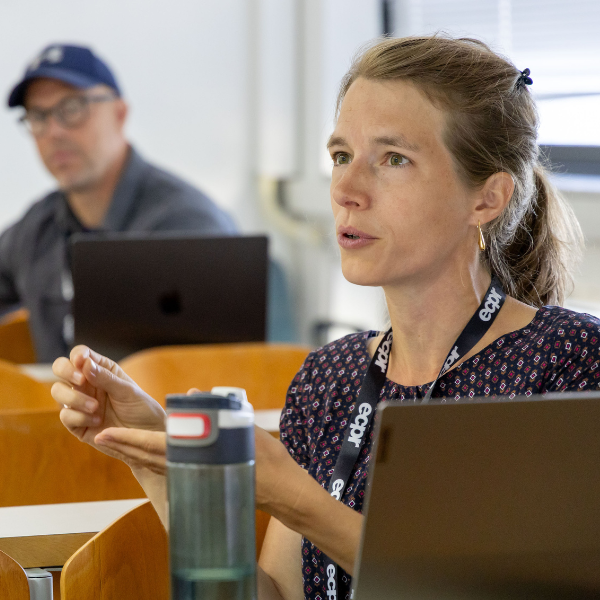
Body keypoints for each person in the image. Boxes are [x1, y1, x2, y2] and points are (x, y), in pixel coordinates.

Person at [51, 36, 600, 600]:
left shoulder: (570, 366)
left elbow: (488, 592)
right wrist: (164, 461)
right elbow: (277, 595)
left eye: (393, 159)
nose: (346, 189)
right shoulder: (329, 378)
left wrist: (296, 499)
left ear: (487, 199)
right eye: (341, 156)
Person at [0, 43, 237, 362]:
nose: (53, 131)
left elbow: (227, 371)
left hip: (166, 410)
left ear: (120, 113)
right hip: (59, 409)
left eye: (71, 108)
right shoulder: (35, 230)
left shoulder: (187, 225)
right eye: (38, 116)